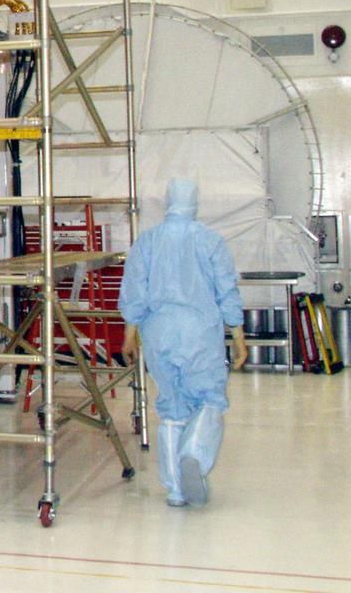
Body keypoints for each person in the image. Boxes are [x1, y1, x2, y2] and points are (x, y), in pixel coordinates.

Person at [120, 178, 247, 508]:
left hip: (158, 334)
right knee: (209, 399)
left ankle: (176, 489)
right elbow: (226, 292)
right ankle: (195, 452)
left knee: (172, 409)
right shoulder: (210, 241)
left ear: (167, 203)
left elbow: (134, 292)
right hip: (199, 333)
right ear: (195, 204)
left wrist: (129, 336)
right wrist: (238, 336)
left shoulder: (146, 242)